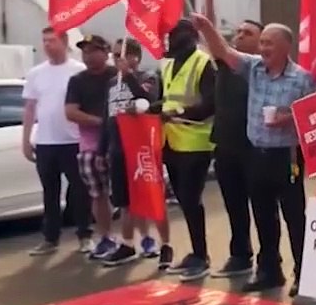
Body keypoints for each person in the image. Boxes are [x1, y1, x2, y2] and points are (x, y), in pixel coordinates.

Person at [190, 13, 316, 295]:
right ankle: (270, 271)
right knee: (263, 217)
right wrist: (207, 28)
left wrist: (288, 118)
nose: (264, 48)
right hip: (256, 156)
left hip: (288, 158)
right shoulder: (254, 69)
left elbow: (314, 117)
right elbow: (223, 51)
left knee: (295, 217)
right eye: (261, 43)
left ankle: (304, 274)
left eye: (269, 43)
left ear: (286, 46)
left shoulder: (302, 79)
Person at [200, 0, 265, 279]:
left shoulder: (263, 69)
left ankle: (269, 261)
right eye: (237, 31)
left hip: (255, 147)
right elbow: (209, 32)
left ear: (262, 41)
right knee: (234, 205)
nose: (239, 35)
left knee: (262, 208)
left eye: (247, 32)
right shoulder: (226, 62)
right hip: (225, 146)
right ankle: (240, 256)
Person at [148, 19, 218, 281]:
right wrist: (148, 109)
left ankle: (202, 255)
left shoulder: (203, 62)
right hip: (171, 141)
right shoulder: (168, 65)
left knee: (191, 199)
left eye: (174, 34)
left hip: (196, 141)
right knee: (183, 201)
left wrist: (179, 113)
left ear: (189, 35)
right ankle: (195, 253)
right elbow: (167, 99)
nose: (169, 39)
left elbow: (211, 102)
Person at [99, 39, 174, 269]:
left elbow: (150, 101)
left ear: (134, 57)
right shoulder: (111, 83)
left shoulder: (147, 77)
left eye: (120, 55)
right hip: (118, 148)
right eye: (114, 56)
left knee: (153, 196)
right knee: (124, 201)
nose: (116, 60)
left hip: (142, 148)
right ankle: (128, 244)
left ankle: (166, 245)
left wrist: (129, 75)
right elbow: (107, 117)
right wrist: (103, 149)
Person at [23, 27, 90, 256]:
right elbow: (30, 108)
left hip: (73, 141)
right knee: (50, 192)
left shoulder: (78, 70)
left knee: (80, 191)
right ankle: (50, 239)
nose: (47, 45)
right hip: (46, 142)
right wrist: (26, 140)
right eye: (44, 41)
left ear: (64, 41)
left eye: (51, 40)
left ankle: (85, 235)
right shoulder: (36, 73)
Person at [63, 34, 120, 260]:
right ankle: (105, 236)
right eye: (85, 51)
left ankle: (133, 238)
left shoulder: (117, 76)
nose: (88, 55)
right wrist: (101, 122)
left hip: (118, 143)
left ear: (105, 53)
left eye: (93, 50)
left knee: (126, 195)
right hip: (90, 146)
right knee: (98, 194)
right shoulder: (77, 81)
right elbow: (70, 112)